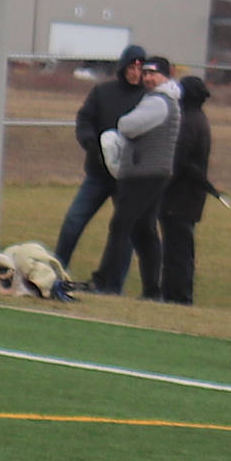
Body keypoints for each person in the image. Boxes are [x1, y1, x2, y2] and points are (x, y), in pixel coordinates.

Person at [91, 56, 180, 297]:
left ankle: (104, 281)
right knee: (144, 231)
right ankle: (152, 289)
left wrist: (121, 122)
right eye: (146, 73)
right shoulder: (160, 99)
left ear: (165, 76)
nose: (148, 78)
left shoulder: (158, 101)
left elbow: (128, 125)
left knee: (121, 225)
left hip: (145, 173)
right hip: (150, 172)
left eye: (153, 73)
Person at [53, 45, 147, 271]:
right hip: (98, 172)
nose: (136, 73)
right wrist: (93, 144)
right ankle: (57, 268)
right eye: (132, 67)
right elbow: (85, 120)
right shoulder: (103, 92)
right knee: (74, 219)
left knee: (123, 230)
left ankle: (114, 283)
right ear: (123, 67)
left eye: (140, 68)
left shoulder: (148, 98)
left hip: (128, 176)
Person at [158, 74, 218, 305]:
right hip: (189, 197)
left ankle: (177, 295)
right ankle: (178, 293)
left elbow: (178, 161)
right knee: (181, 248)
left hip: (180, 197)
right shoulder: (198, 119)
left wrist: (161, 187)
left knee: (177, 250)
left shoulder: (188, 122)